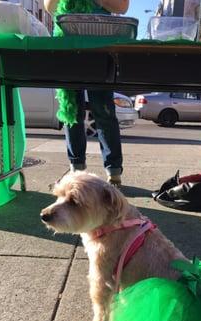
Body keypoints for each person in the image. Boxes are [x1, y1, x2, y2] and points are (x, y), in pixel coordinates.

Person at [44, 0, 130, 187]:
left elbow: (123, 7)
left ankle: (113, 172)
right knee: (71, 110)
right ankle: (77, 169)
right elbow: (50, 8)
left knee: (104, 110)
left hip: (100, 47)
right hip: (68, 44)